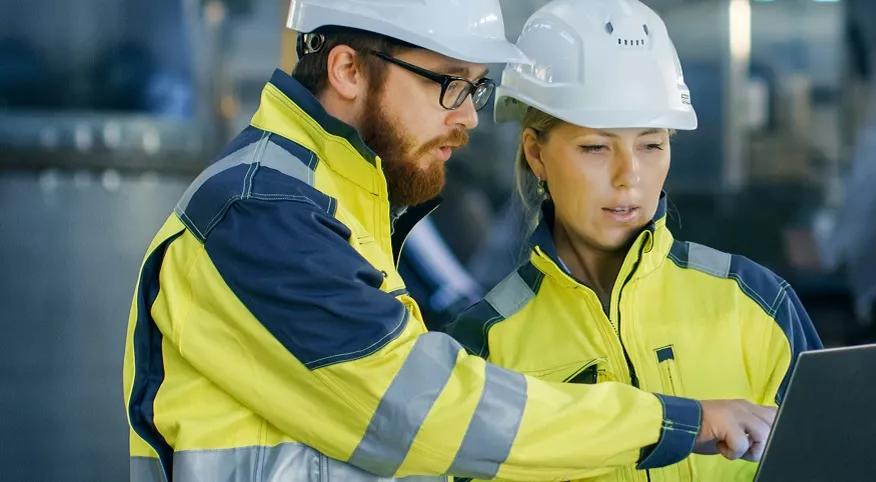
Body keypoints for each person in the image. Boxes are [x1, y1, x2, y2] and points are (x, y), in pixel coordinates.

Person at [122, 1, 776, 480]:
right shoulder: (260, 212)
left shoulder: (339, 205)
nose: (467, 115)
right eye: (449, 84)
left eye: (474, 87)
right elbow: (419, 414)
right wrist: (671, 422)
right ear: (349, 69)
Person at [447, 1, 822, 480]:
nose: (630, 177)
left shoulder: (757, 303)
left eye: (651, 144)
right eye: (596, 148)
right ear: (536, 154)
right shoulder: (486, 347)